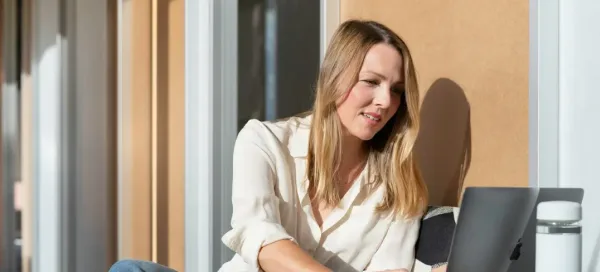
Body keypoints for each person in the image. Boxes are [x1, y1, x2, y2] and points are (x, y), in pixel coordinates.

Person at [110, 19, 433, 272]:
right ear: (335, 78)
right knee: (129, 270)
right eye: (372, 82)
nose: (385, 101)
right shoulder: (264, 141)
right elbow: (260, 237)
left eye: (397, 90)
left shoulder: (401, 188)